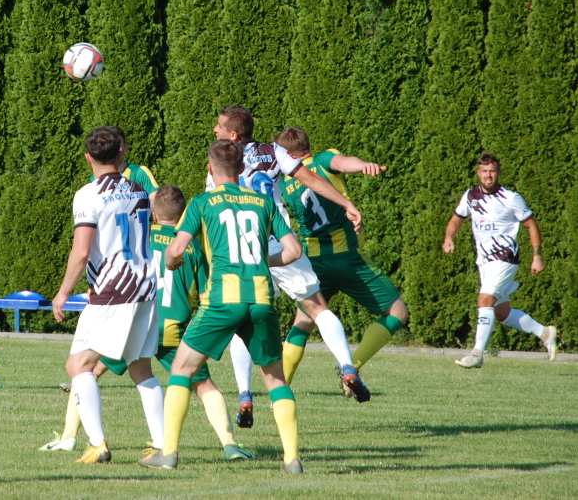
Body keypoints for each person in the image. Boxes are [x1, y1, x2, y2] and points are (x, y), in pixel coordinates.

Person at [42, 186, 252, 462]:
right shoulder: (190, 248)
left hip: (133, 317)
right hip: (173, 329)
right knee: (203, 385)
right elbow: (203, 296)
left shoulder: (141, 237)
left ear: (153, 212)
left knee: (87, 370)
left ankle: (71, 437)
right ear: (183, 214)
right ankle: (229, 445)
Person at [139, 140, 304, 474]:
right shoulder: (262, 203)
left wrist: (171, 263)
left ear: (210, 169)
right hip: (260, 298)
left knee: (182, 370)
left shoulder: (202, 203)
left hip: (221, 301)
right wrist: (262, 260)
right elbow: (293, 251)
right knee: (275, 379)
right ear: (242, 169)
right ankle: (292, 458)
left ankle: (168, 453)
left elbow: (176, 249)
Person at [209, 106, 368, 422]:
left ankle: (244, 396)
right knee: (317, 307)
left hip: (243, 247)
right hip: (280, 240)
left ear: (234, 135)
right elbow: (309, 178)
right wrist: (346, 202)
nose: (215, 130)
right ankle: (347, 366)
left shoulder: (221, 160)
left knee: (244, 323)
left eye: (220, 126)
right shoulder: (273, 152)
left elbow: (211, 208)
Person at [51, 126, 163, 464]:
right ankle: (162, 444)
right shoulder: (141, 191)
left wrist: (62, 293)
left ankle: (97, 444)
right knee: (141, 366)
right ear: (122, 154)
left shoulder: (88, 194)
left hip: (113, 291)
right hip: (145, 285)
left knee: (78, 365)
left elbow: (82, 250)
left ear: (88, 158)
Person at [273, 127, 408, 395]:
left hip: (313, 262)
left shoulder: (284, 180)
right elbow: (344, 163)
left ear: (286, 154)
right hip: (346, 258)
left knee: (304, 321)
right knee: (397, 312)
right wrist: (364, 166)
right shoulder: (322, 160)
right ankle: (352, 366)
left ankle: (280, 388)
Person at [443, 152, 557, 368]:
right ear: (478, 173)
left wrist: (537, 255)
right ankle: (544, 332)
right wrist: (449, 237)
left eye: (492, 171)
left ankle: (477, 354)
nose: (488, 175)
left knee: (485, 299)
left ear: (498, 173)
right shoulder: (470, 196)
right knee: (501, 312)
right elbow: (456, 219)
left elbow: (531, 225)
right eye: (484, 171)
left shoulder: (511, 197)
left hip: (505, 257)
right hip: (484, 261)